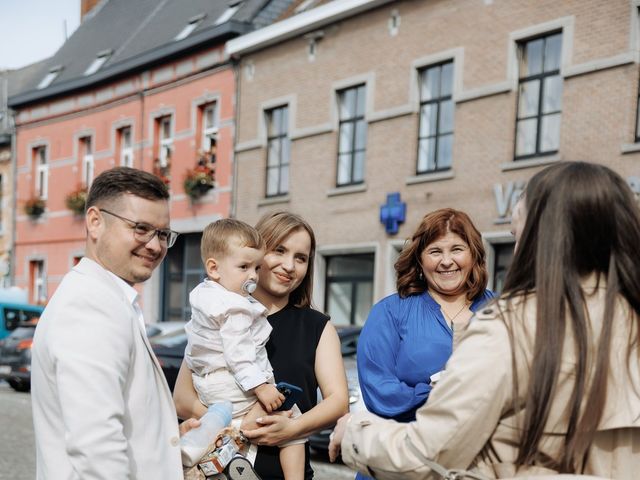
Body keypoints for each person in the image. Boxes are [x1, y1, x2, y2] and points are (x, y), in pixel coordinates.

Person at [329, 161, 640, 479]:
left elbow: (432, 452)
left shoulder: (508, 325)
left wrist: (355, 434)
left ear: (544, 240)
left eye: (518, 235)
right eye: (436, 251)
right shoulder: (392, 312)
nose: (516, 249)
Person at [31, 167, 199, 480]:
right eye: (141, 228)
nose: (154, 245)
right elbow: (97, 450)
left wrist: (167, 440)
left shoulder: (109, 298)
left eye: (163, 234)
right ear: (95, 222)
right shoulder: (90, 306)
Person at [174, 211, 349, 480]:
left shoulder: (317, 326)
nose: (289, 266)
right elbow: (182, 399)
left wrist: (292, 429)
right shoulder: (216, 311)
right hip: (220, 470)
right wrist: (235, 427)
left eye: (300, 258)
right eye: (279, 250)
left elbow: (338, 402)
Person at [354, 208, 494, 480]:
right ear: (419, 259)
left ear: (474, 254)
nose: (446, 261)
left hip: (476, 465)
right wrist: (436, 391)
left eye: (457, 249)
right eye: (435, 251)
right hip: (400, 460)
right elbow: (379, 393)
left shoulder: (500, 309)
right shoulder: (391, 311)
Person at [184, 218, 304, 479]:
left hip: (208, 385)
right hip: (233, 383)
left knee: (235, 424)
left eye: (256, 267)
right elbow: (240, 355)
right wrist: (261, 387)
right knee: (292, 421)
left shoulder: (204, 295)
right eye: (244, 267)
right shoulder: (235, 307)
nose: (252, 275)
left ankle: (215, 463)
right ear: (214, 268)